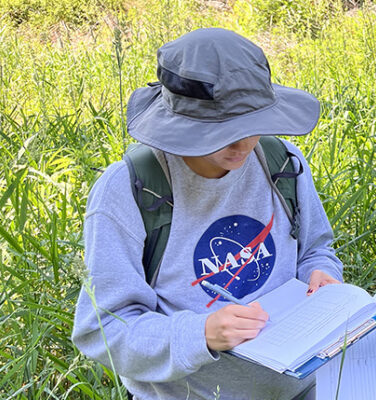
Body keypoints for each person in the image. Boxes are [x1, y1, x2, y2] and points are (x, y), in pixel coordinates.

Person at [71, 28, 343, 399]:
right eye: (223, 131)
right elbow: (103, 329)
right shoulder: (131, 190)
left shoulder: (281, 162)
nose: (245, 142)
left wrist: (321, 274)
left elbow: (315, 248)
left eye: (253, 124)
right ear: (182, 125)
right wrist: (201, 335)